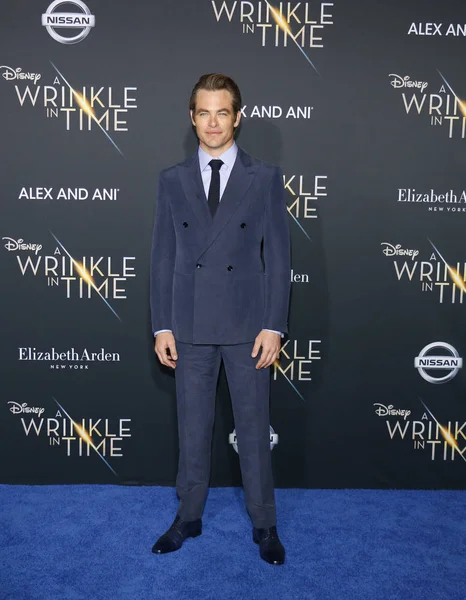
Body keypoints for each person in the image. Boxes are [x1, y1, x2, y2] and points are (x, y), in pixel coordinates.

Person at [149, 73, 291, 565]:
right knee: (192, 428)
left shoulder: (265, 178)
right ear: (192, 118)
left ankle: (265, 523)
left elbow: (278, 257)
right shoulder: (171, 180)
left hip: (249, 329)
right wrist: (161, 325)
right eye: (204, 113)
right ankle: (187, 517)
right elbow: (162, 258)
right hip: (188, 327)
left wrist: (274, 325)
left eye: (222, 112)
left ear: (238, 116)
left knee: (253, 428)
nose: (213, 123)